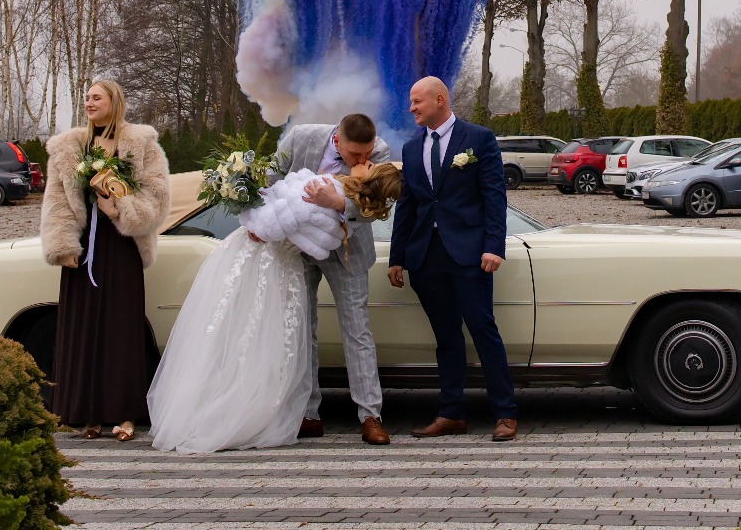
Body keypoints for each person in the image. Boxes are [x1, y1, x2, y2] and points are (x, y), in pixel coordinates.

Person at [147, 157, 358, 453]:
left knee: (256, 337)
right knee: (249, 335)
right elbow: (274, 229)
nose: (364, 163)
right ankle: (240, 413)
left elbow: (268, 225)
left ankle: (253, 410)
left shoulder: (317, 191)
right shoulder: (318, 192)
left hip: (270, 264)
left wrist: (253, 210)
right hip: (266, 266)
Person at [40, 77, 172, 441]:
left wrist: (119, 208)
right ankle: (85, 413)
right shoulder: (70, 146)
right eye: (86, 98)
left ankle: (125, 415)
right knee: (82, 328)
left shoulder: (141, 143)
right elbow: (56, 199)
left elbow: (158, 197)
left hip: (121, 245)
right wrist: (63, 244)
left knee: (120, 329)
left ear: (114, 101)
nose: (89, 103)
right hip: (83, 249)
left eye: (96, 97)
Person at [389, 75, 518, 441]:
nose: (411, 107)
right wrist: (397, 257)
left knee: (483, 330)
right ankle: (451, 414)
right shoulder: (412, 149)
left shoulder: (478, 139)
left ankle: (506, 413)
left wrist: (494, 246)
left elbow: (494, 197)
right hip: (425, 258)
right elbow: (408, 205)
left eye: (417, 101)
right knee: (446, 337)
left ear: (440, 99)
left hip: (470, 255)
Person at [282, 113, 396, 445]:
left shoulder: (380, 151)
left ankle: (371, 415)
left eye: (367, 154)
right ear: (337, 140)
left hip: (349, 250)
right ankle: (308, 413)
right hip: (299, 247)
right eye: (355, 156)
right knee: (304, 328)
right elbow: (272, 178)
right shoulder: (301, 137)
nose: (364, 161)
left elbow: (378, 204)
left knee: (357, 330)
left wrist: (339, 202)